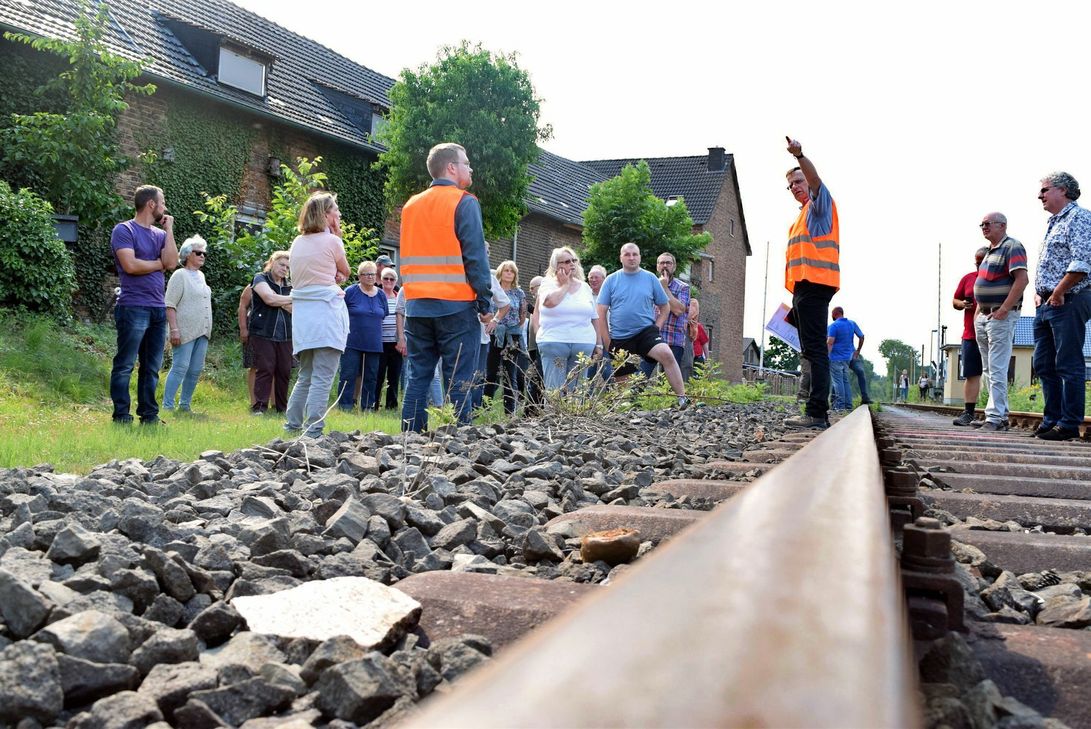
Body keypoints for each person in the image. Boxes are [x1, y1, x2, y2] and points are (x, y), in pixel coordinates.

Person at [399, 143, 494, 432]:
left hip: (417, 305)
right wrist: (484, 300)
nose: (470, 168)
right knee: (458, 378)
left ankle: (409, 441)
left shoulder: (411, 205)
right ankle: (456, 442)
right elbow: (475, 255)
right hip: (455, 306)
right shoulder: (464, 202)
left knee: (418, 377)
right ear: (451, 167)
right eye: (466, 163)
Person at [109, 184, 179, 425]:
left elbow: (171, 262)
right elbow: (131, 266)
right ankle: (121, 415)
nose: (165, 207)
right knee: (125, 364)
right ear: (151, 204)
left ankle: (149, 415)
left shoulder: (160, 235)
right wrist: (158, 264)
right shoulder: (124, 230)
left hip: (158, 308)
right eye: (163, 202)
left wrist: (168, 229)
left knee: (151, 367)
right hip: (133, 306)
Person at [781, 138, 839, 429]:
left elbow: (816, 181)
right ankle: (814, 410)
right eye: (790, 185)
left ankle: (817, 412)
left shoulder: (819, 205)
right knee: (810, 350)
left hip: (816, 284)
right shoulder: (801, 215)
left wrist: (800, 155)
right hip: (804, 288)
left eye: (798, 181)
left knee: (815, 350)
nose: (796, 187)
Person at [284, 192, 351, 438]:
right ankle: (314, 430)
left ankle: (292, 425)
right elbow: (345, 270)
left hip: (304, 318)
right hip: (325, 315)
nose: (339, 214)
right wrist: (338, 237)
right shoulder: (332, 241)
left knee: (307, 375)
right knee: (323, 376)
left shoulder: (296, 243)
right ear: (326, 215)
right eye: (336, 210)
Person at [1032, 172, 1091, 441]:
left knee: (1068, 363)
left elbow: (1081, 263)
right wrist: (1039, 291)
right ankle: (1051, 418)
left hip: (1068, 299)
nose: (1040, 195)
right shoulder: (1054, 222)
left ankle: (1068, 424)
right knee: (1044, 363)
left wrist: (1058, 291)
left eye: (1044, 190)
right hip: (1046, 302)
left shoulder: (1079, 218)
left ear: (1063, 190)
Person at [596, 242, 687, 405]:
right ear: (621, 258)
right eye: (627, 254)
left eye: (635, 254)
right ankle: (627, 411)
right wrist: (607, 341)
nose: (631, 257)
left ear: (640, 257)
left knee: (667, 354)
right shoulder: (611, 280)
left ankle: (682, 399)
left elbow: (665, 307)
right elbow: (600, 313)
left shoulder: (650, 278)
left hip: (646, 332)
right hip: (620, 336)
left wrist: (656, 328)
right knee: (625, 391)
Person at [973, 211, 1028, 432]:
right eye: (982, 224)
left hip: (1000, 315)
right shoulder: (989, 252)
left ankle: (995, 418)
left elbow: (1021, 279)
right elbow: (983, 283)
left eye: (988, 224)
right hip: (985, 316)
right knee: (988, 368)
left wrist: (1004, 309)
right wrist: (979, 311)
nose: (984, 227)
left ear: (1002, 225)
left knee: (996, 368)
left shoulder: (1012, 246)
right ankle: (996, 414)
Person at [535, 247, 599, 393]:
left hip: (583, 342)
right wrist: (565, 285)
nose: (572, 264)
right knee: (554, 392)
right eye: (567, 261)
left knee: (577, 393)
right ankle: (553, 417)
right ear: (557, 266)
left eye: (574, 260)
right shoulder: (547, 283)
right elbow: (550, 302)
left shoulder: (585, 287)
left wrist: (599, 344)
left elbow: (594, 317)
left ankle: (575, 417)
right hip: (554, 341)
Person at [163, 235, 212, 415]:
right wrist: (174, 329)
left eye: (204, 253)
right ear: (187, 254)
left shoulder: (201, 276)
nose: (202, 256)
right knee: (180, 367)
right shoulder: (180, 275)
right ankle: (167, 405)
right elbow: (170, 304)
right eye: (198, 252)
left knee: (195, 369)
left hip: (203, 331)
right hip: (184, 330)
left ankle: (185, 405)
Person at [338, 260, 388, 411]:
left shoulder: (380, 295)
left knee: (371, 376)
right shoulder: (351, 291)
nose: (370, 277)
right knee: (348, 374)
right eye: (366, 274)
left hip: (374, 342)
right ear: (359, 276)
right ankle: (344, 405)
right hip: (352, 341)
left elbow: (383, 313)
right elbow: (340, 313)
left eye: (373, 274)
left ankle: (368, 407)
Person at [250, 251, 293, 414]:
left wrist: (279, 300)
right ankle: (259, 407)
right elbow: (268, 298)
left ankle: (282, 408)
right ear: (272, 262)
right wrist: (289, 299)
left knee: (284, 370)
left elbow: (294, 308)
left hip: (287, 334)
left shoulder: (289, 284)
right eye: (282, 264)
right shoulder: (260, 278)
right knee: (265, 368)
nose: (284, 269)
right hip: (263, 331)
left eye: (288, 267)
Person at [952, 246, 989, 426]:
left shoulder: (999, 278)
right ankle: (969, 413)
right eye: (977, 262)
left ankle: (995, 414)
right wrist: (962, 304)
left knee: (993, 373)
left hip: (993, 332)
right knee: (971, 374)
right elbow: (955, 300)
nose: (978, 265)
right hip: (970, 334)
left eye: (982, 262)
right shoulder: (968, 279)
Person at [485, 260, 528, 414]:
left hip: (512, 336)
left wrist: (513, 327)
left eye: (512, 271)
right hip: (495, 335)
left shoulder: (519, 293)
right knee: (491, 372)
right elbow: (488, 311)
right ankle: (485, 407)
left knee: (511, 374)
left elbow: (522, 314)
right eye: (506, 270)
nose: (509, 273)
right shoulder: (493, 291)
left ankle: (510, 411)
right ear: (500, 273)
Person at [641, 252, 690, 378]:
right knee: (640, 377)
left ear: (674, 267)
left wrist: (664, 288)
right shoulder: (648, 285)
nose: (665, 266)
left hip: (674, 340)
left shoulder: (683, 287)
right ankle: (632, 398)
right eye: (662, 263)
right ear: (657, 266)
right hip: (652, 338)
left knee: (669, 382)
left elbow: (678, 310)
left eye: (668, 263)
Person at [826, 307, 868, 410]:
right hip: (847, 358)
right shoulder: (851, 324)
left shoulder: (833, 326)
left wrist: (826, 356)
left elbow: (830, 342)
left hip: (835, 358)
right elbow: (862, 336)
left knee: (838, 382)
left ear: (834, 314)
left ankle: (840, 406)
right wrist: (858, 350)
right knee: (845, 381)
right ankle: (848, 405)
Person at [375, 268, 402, 410]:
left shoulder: (399, 297)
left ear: (395, 281)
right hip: (379, 343)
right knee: (378, 375)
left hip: (396, 343)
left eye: (392, 279)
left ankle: (392, 405)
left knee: (394, 376)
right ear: (381, 280)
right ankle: (374, 404)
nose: (389, 281)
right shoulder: (376, 296)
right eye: (386, 278)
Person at [523, 275, 545, 414]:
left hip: (541, 346)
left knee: (537, 379)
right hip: (533, 347)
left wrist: (531, 310)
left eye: (533, 287)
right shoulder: (536, 303)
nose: (530, 290)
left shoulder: (544, 301)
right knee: (535, 379)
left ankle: (531, 411)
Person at [237, 284, 257, 408]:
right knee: (254, 365)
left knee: (275, 367)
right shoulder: (253, 285)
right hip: (254, 329)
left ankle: (275, 403)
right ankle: (254, 402)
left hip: (277, 331)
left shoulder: (285, 285)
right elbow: (242, 306)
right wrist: (243, 329)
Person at [689, 298, 710, 369]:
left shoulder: (698, 327)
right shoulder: (683, 326)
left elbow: (704, 344)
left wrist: (707, 360)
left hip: (697, 359)